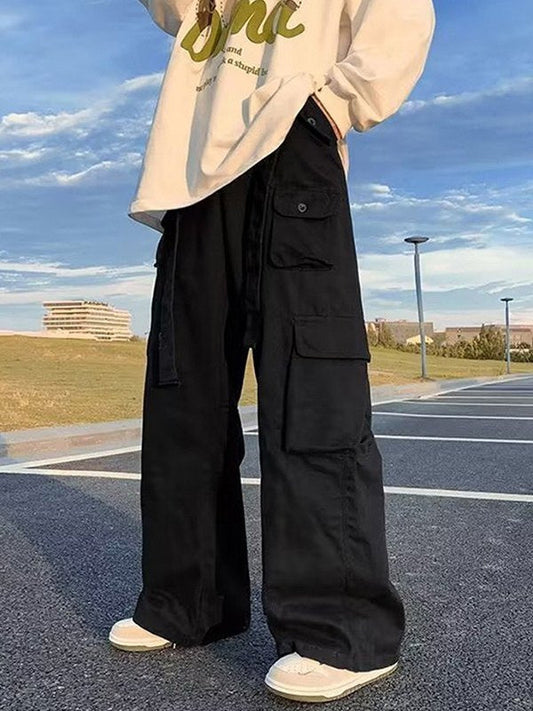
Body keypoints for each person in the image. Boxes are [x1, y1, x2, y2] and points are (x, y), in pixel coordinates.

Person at [109, 0, 436, 702]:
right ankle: (188, 601)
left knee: (311, 392)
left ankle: (341, 631)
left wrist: (335, 104)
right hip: (191, 170)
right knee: (182, 396)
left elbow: (401, 17)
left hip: (292, 139)